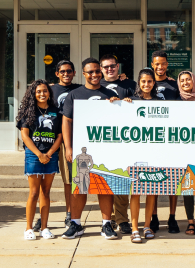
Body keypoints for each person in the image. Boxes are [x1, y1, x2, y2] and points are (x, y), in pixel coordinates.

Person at [61, 57, 120, 240]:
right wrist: (68, 147)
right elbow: (66, 121)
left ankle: (106, 225)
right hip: (82, 149)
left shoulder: (109, 93)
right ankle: (76, 224)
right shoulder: (75, 94)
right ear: (84, 74)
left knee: (105, 187)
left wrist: (120, 104)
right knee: (80, 187)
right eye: (90, 72)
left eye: (97, 71)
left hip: (106, 148)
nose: (95, 75)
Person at [33, 60, 81, 232]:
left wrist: (121, 79)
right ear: (57, 74)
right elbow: (35, 97)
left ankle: (69, 214)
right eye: (62, 71)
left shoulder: (79, 90)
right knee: (45, 180)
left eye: (69, 71)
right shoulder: (51, 90)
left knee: (69, 179)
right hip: (50, 139)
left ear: (74, 72)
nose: (66, 74)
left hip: (71, 138)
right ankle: (42, 216)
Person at [16, 79, 63, 240]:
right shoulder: (28, 112)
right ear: (33, 94)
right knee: (34, 193)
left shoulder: (56, 111)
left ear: (49, 93)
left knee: (46, 192)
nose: (42, 94)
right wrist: (39, 154)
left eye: (45, 91)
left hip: (51, 155)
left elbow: (60, 136)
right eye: (38, 91)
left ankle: (44, 227)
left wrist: (49, 153)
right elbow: (24, 135)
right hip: (33, 155)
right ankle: (29, 228)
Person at [123, 68, 159, 243]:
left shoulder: (161, 102)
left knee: (152, 191)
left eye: (150, 81)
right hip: (135, 152)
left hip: (154, 152)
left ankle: (147, 226)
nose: (146, 84)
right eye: (143, 81)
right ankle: (135, 228)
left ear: (154, 83)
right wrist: (118, 103)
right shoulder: (131, 101)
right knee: (135, 192)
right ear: (139, 83)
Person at [99, 54, 135, 234]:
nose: (109, 69)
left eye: (112, 66)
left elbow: (141, 103)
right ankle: (109, 219)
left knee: (121, 180)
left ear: (118, 66)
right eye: (106, 67)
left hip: (125, 141)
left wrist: (129, 102)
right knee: (106, 181)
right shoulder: (96, 86)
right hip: (104, 142)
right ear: (101, 69)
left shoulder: (129, 85)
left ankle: (122, 219)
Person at [149, 50, 180, 233]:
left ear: (167, 64)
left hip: (171, 138)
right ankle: (153, 217)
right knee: (152, 178)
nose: (160, 67)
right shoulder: (146, 83)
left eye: (163, 64)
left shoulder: (174, 85)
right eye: (156, 64)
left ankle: (172, 217)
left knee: (172, 179)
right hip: (151, 138)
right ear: (152, 64)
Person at [176, 71, 195, 236]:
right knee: (187, 186)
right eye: (182, 80)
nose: (186, 82)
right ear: (179, 83)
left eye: (188, 79)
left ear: (193, 81)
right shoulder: (175, 100)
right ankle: (190, 222)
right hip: (182, 149)